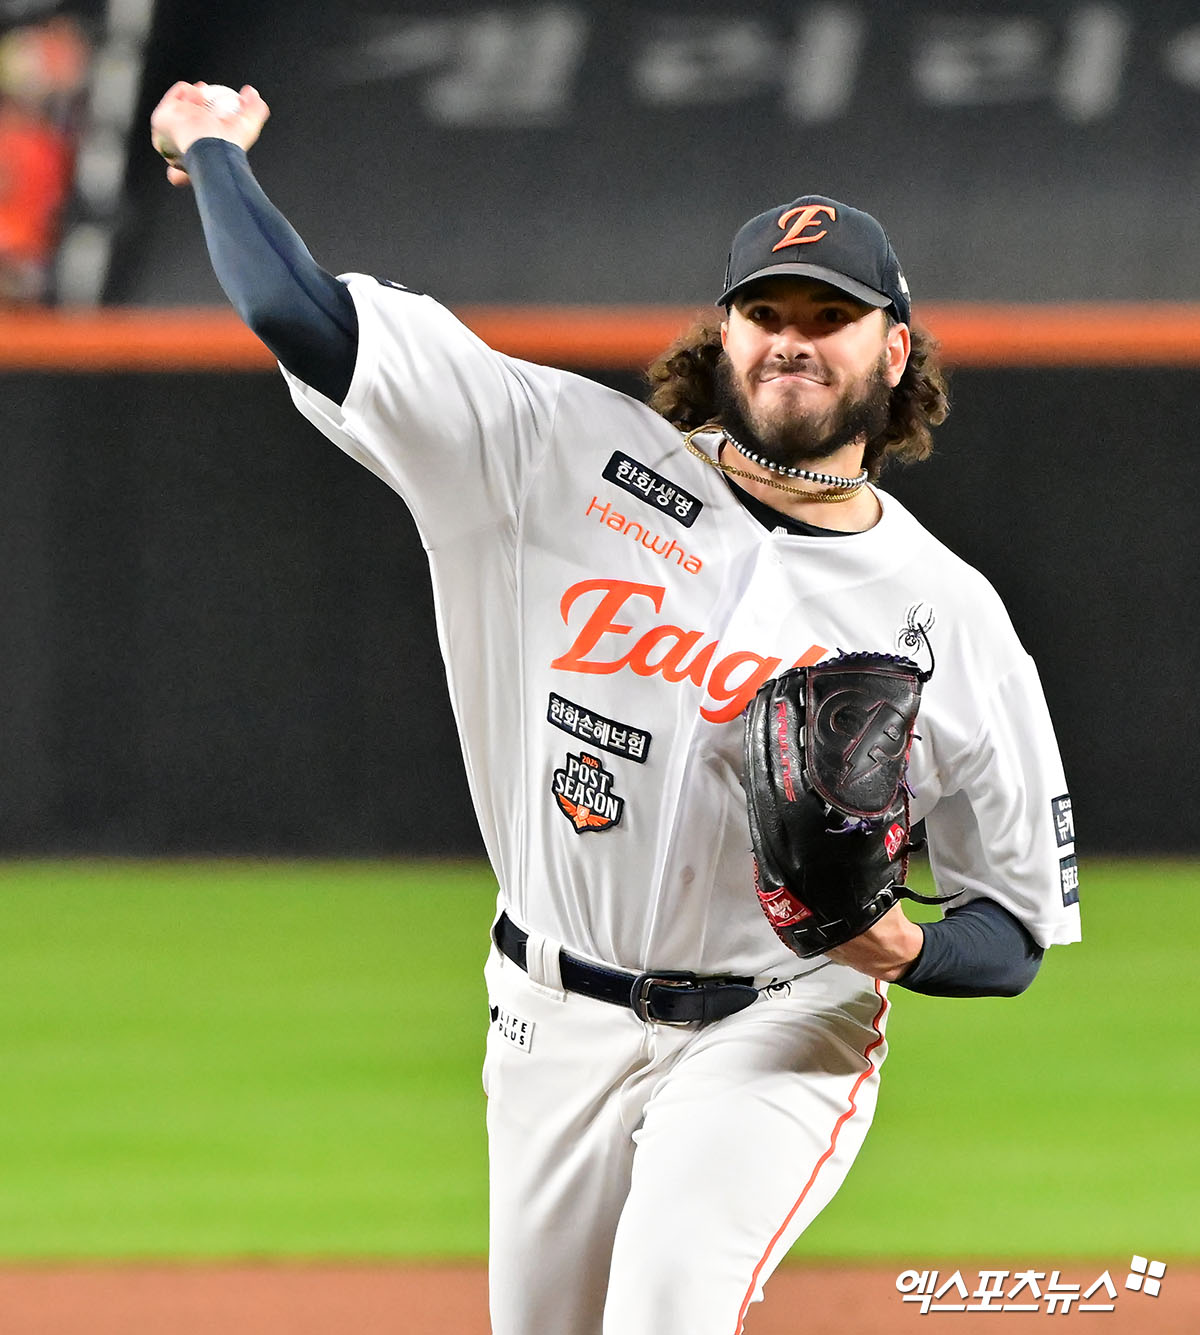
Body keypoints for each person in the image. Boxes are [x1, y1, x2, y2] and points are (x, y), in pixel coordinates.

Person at [150, 82, 1082, 1335]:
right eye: (766, 311)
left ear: (894, 351)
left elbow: (1014, 930)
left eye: (832, 316)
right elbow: (295, 313)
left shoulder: (947, 613)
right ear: (724, 333)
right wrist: (212, 148)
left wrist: (900, 950)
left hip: (777, 1028)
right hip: (547, 1013)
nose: (793, 339)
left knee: (664, 1314)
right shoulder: (553, 452)